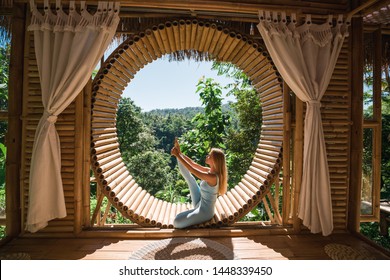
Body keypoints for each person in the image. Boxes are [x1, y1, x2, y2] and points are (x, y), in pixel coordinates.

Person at [171, 138, 227, 228]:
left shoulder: (213, 178)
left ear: (214, 161)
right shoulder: (209, 171)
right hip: (199, 203)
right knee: (190, 179)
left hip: (205, 212)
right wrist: (179, 153)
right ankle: (194, 212)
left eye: (209, 156)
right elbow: (193, 164)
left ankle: (195, 214)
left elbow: (192, 170)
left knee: (176, 222)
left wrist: (177, 155)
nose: (207, 156)